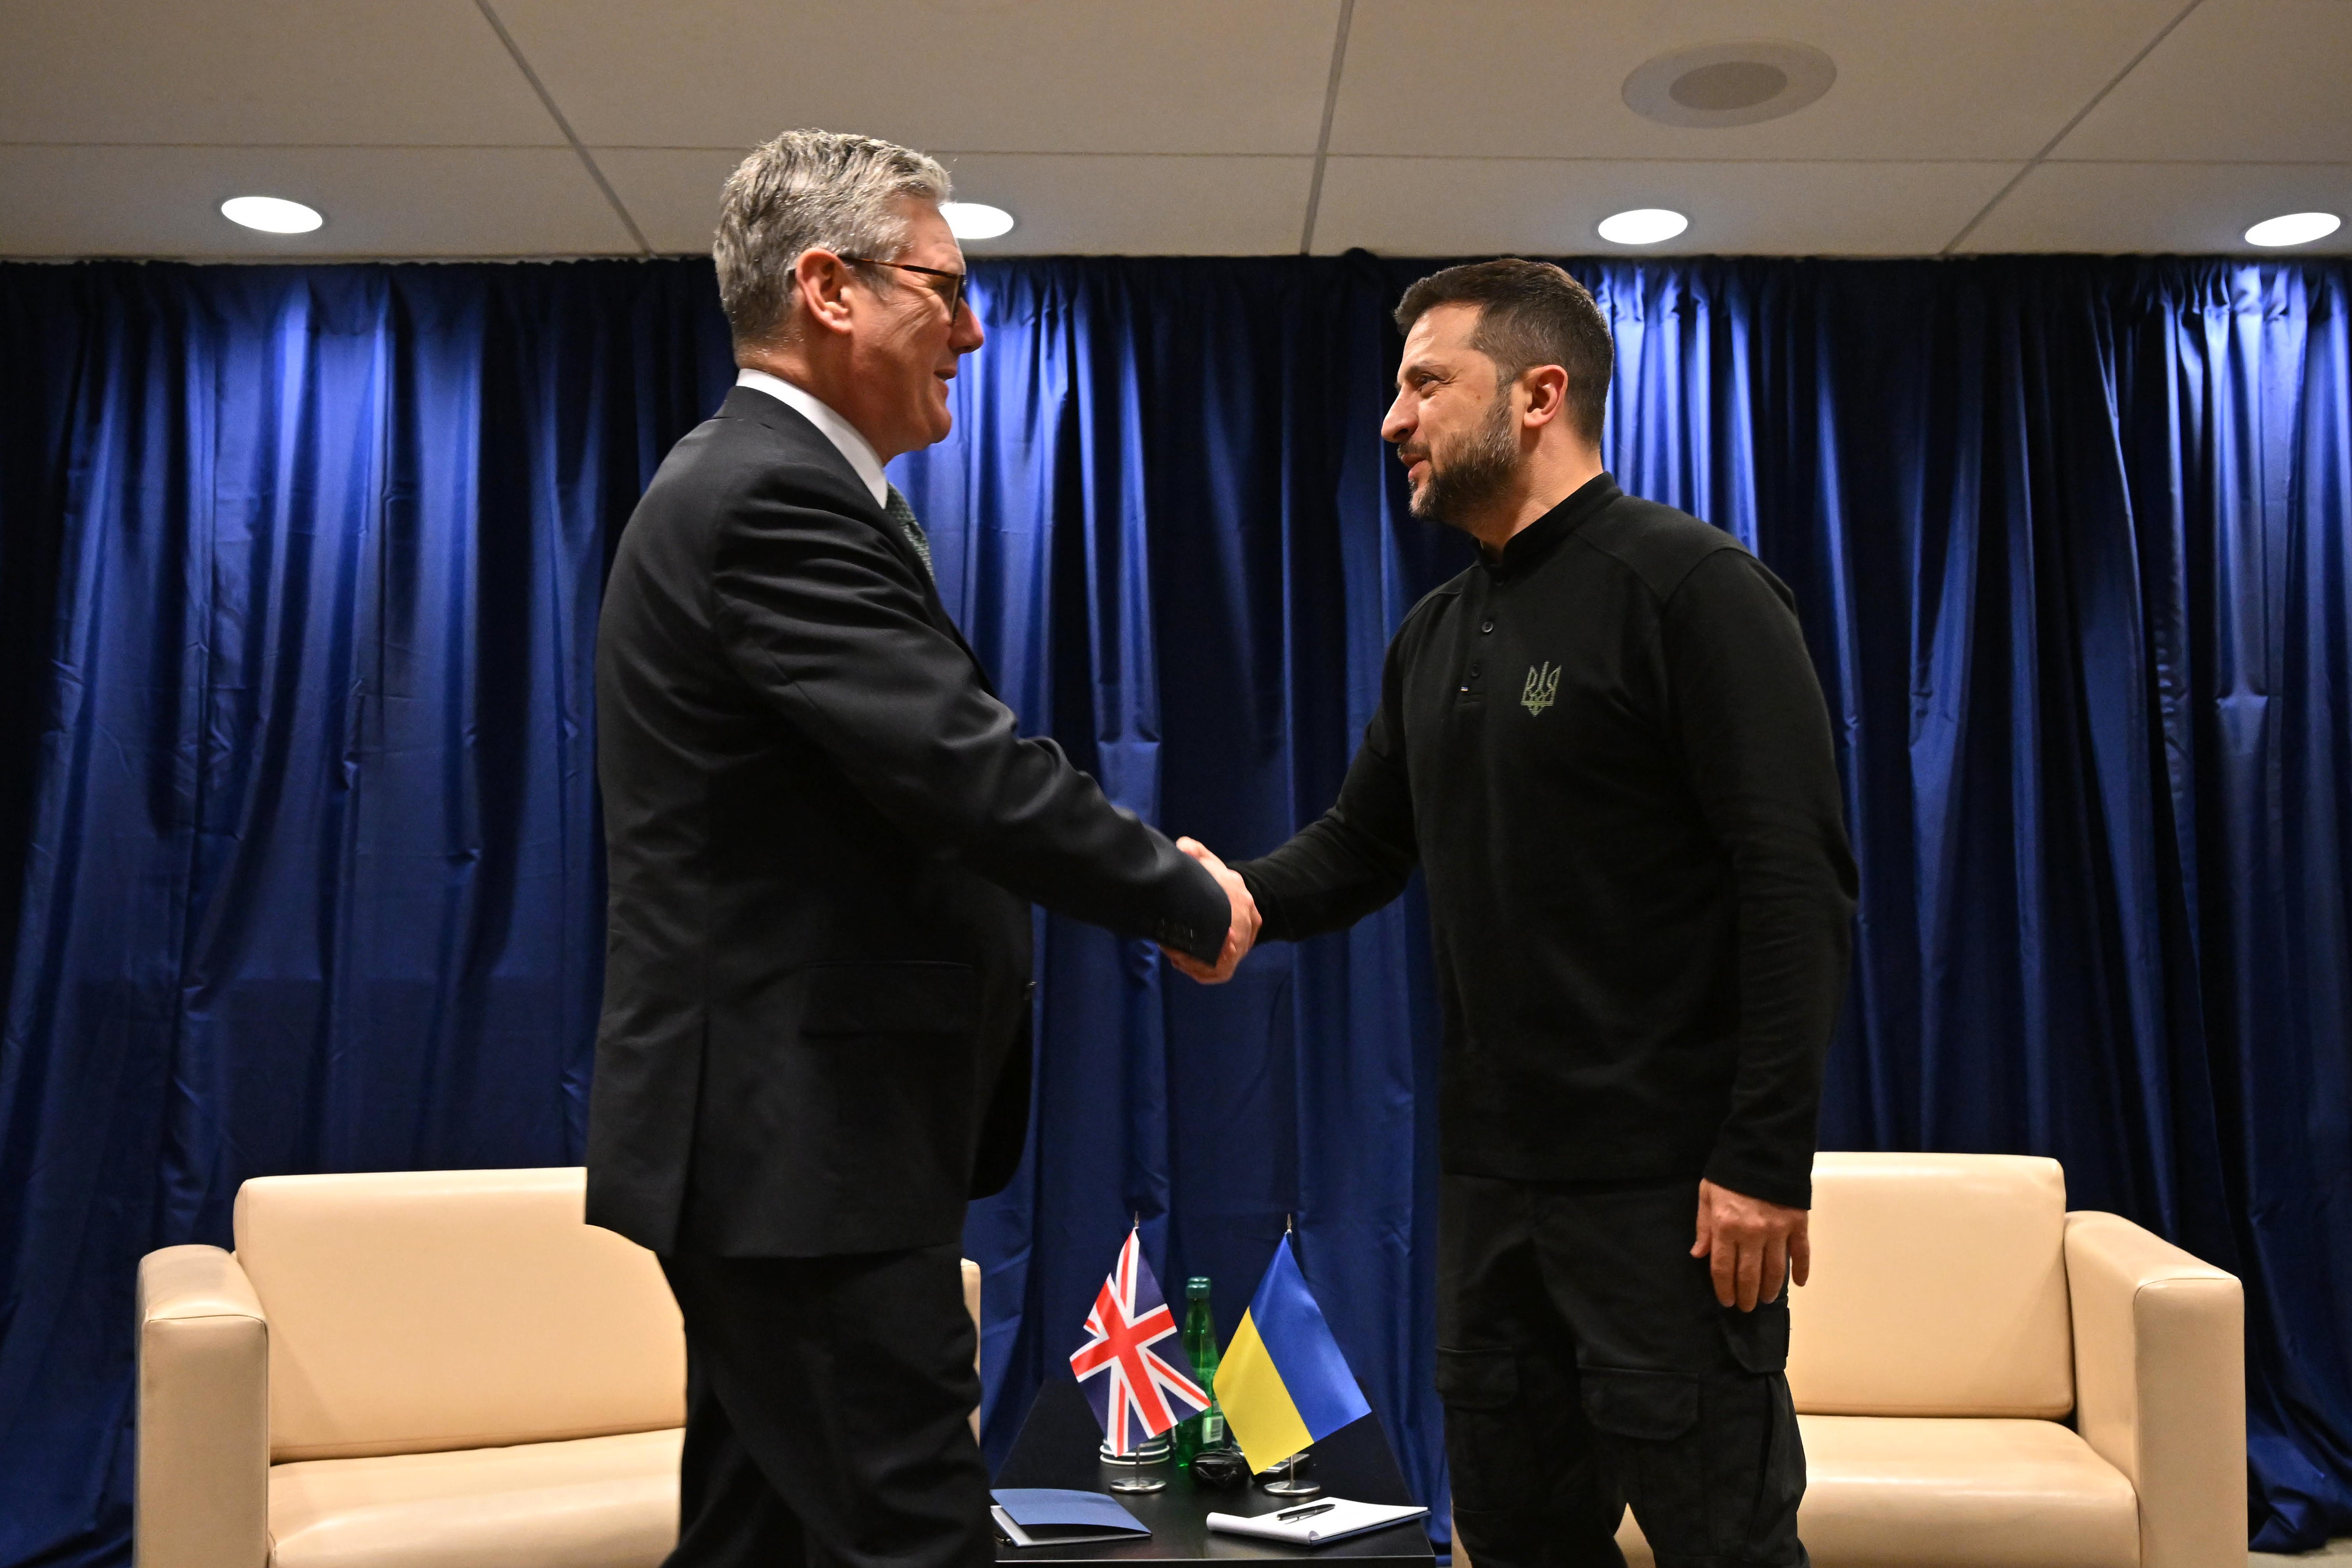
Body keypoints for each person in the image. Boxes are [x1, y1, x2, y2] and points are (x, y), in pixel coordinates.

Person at [586, 129, 1257, 1568]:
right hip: (795, 1149)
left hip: (790, 1146)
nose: (970, 326)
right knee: (917, 1538)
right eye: (941, 286)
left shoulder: (782, 487)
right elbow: (964, 768)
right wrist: (1181, 894)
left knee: (758, 1537)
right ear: (828, 288)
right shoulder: (768, 492)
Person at [1175, 259, 1856, 1568]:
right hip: (1492, 1197)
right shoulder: (1438, 634)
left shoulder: (1691, 587)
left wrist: (1766, 1158)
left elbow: (1796, 880)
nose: (1394, 420)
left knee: (1728, 1543)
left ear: (1541, 395)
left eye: (1427, 384)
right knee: (1515, 1536)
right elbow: (1365, 844)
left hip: (1672, 1202)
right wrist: (1238, 899)